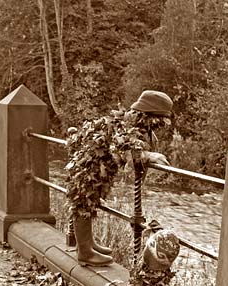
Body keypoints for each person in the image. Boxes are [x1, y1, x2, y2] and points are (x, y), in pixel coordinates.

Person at [65, 90, 173, 266]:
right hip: (88, 168)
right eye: (160, 119)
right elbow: (121, 149)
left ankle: (88, 244)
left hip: (95, 167)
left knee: (89, 204)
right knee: (83, 204)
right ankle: (84, 253)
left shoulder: (131, 123)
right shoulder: (127, 126)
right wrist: (147, 155)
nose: (161, 124)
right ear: (149, 115)